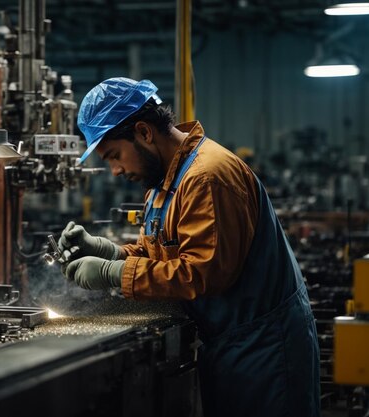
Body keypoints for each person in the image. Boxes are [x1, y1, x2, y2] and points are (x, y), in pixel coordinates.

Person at [58, 77, 320, 417]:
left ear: (144, 132)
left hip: (266, 349)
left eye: (114, 155)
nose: (116, 171)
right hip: (232, 344)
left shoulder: (206, 176)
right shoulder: (165, 183)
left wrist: (112, 273)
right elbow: (162, 255)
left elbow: (202, 273)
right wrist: (111, 253)